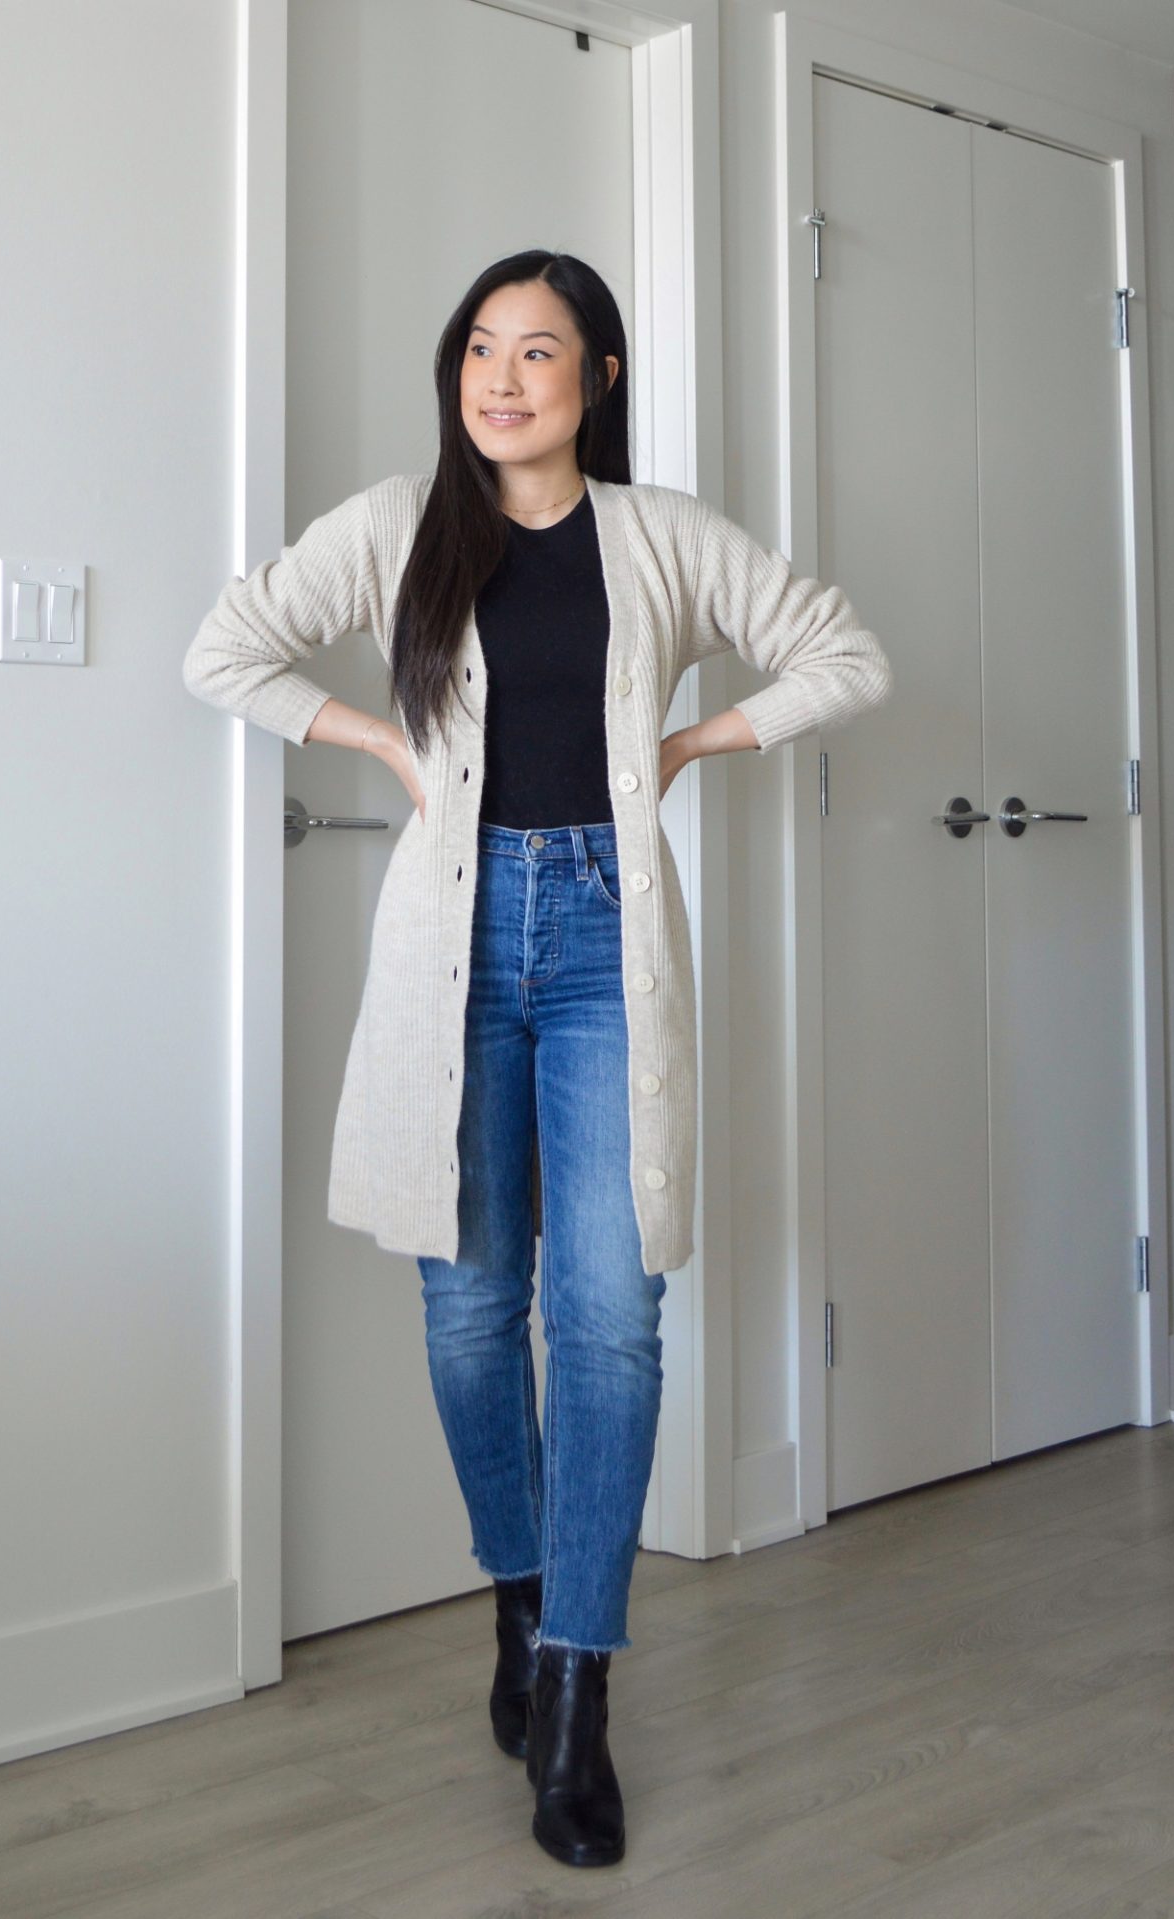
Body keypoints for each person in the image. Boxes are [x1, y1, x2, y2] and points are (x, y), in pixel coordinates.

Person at [182, 249, 894, 1870]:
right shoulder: (397, 528)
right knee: (466, 1308)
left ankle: (575, 1690)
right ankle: (520, 1596)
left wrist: (699, 740)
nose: (504, 379)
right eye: (482, 351)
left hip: (601, 941)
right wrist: (375, 740)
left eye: (542, 351)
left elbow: (846, 653)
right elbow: (228, 648)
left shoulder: (662, 539)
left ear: (601, 377)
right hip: (453, 944)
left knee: (614, 1310)